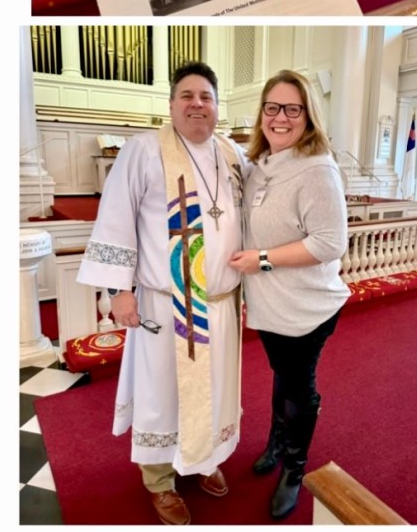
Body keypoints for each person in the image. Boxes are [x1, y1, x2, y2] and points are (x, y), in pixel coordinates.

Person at [77, 62, 247, 525]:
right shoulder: (143, 151)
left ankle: (204, 456)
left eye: (206, 97)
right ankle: (159, 479)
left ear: (217, 106)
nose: (197, 104)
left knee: (215, 388)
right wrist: (118, 290)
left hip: (221, 303)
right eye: (187, 96)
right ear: (171, 105)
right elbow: (115, 217)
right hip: (167, 301)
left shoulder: (232, 154)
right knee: (162, 392)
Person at [227, 70, 348, 519]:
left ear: (307, 116)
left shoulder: (317, 169)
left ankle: (294, 469)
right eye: (272, 107)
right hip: (271, 304)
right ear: (261, 113)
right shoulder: (260, 166)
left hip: (307, 305)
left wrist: (260, 259)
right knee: (282, 374)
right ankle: (277, 441)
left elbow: (328, 243)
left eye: (292, 109)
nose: (280, 117)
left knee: (300, 387)